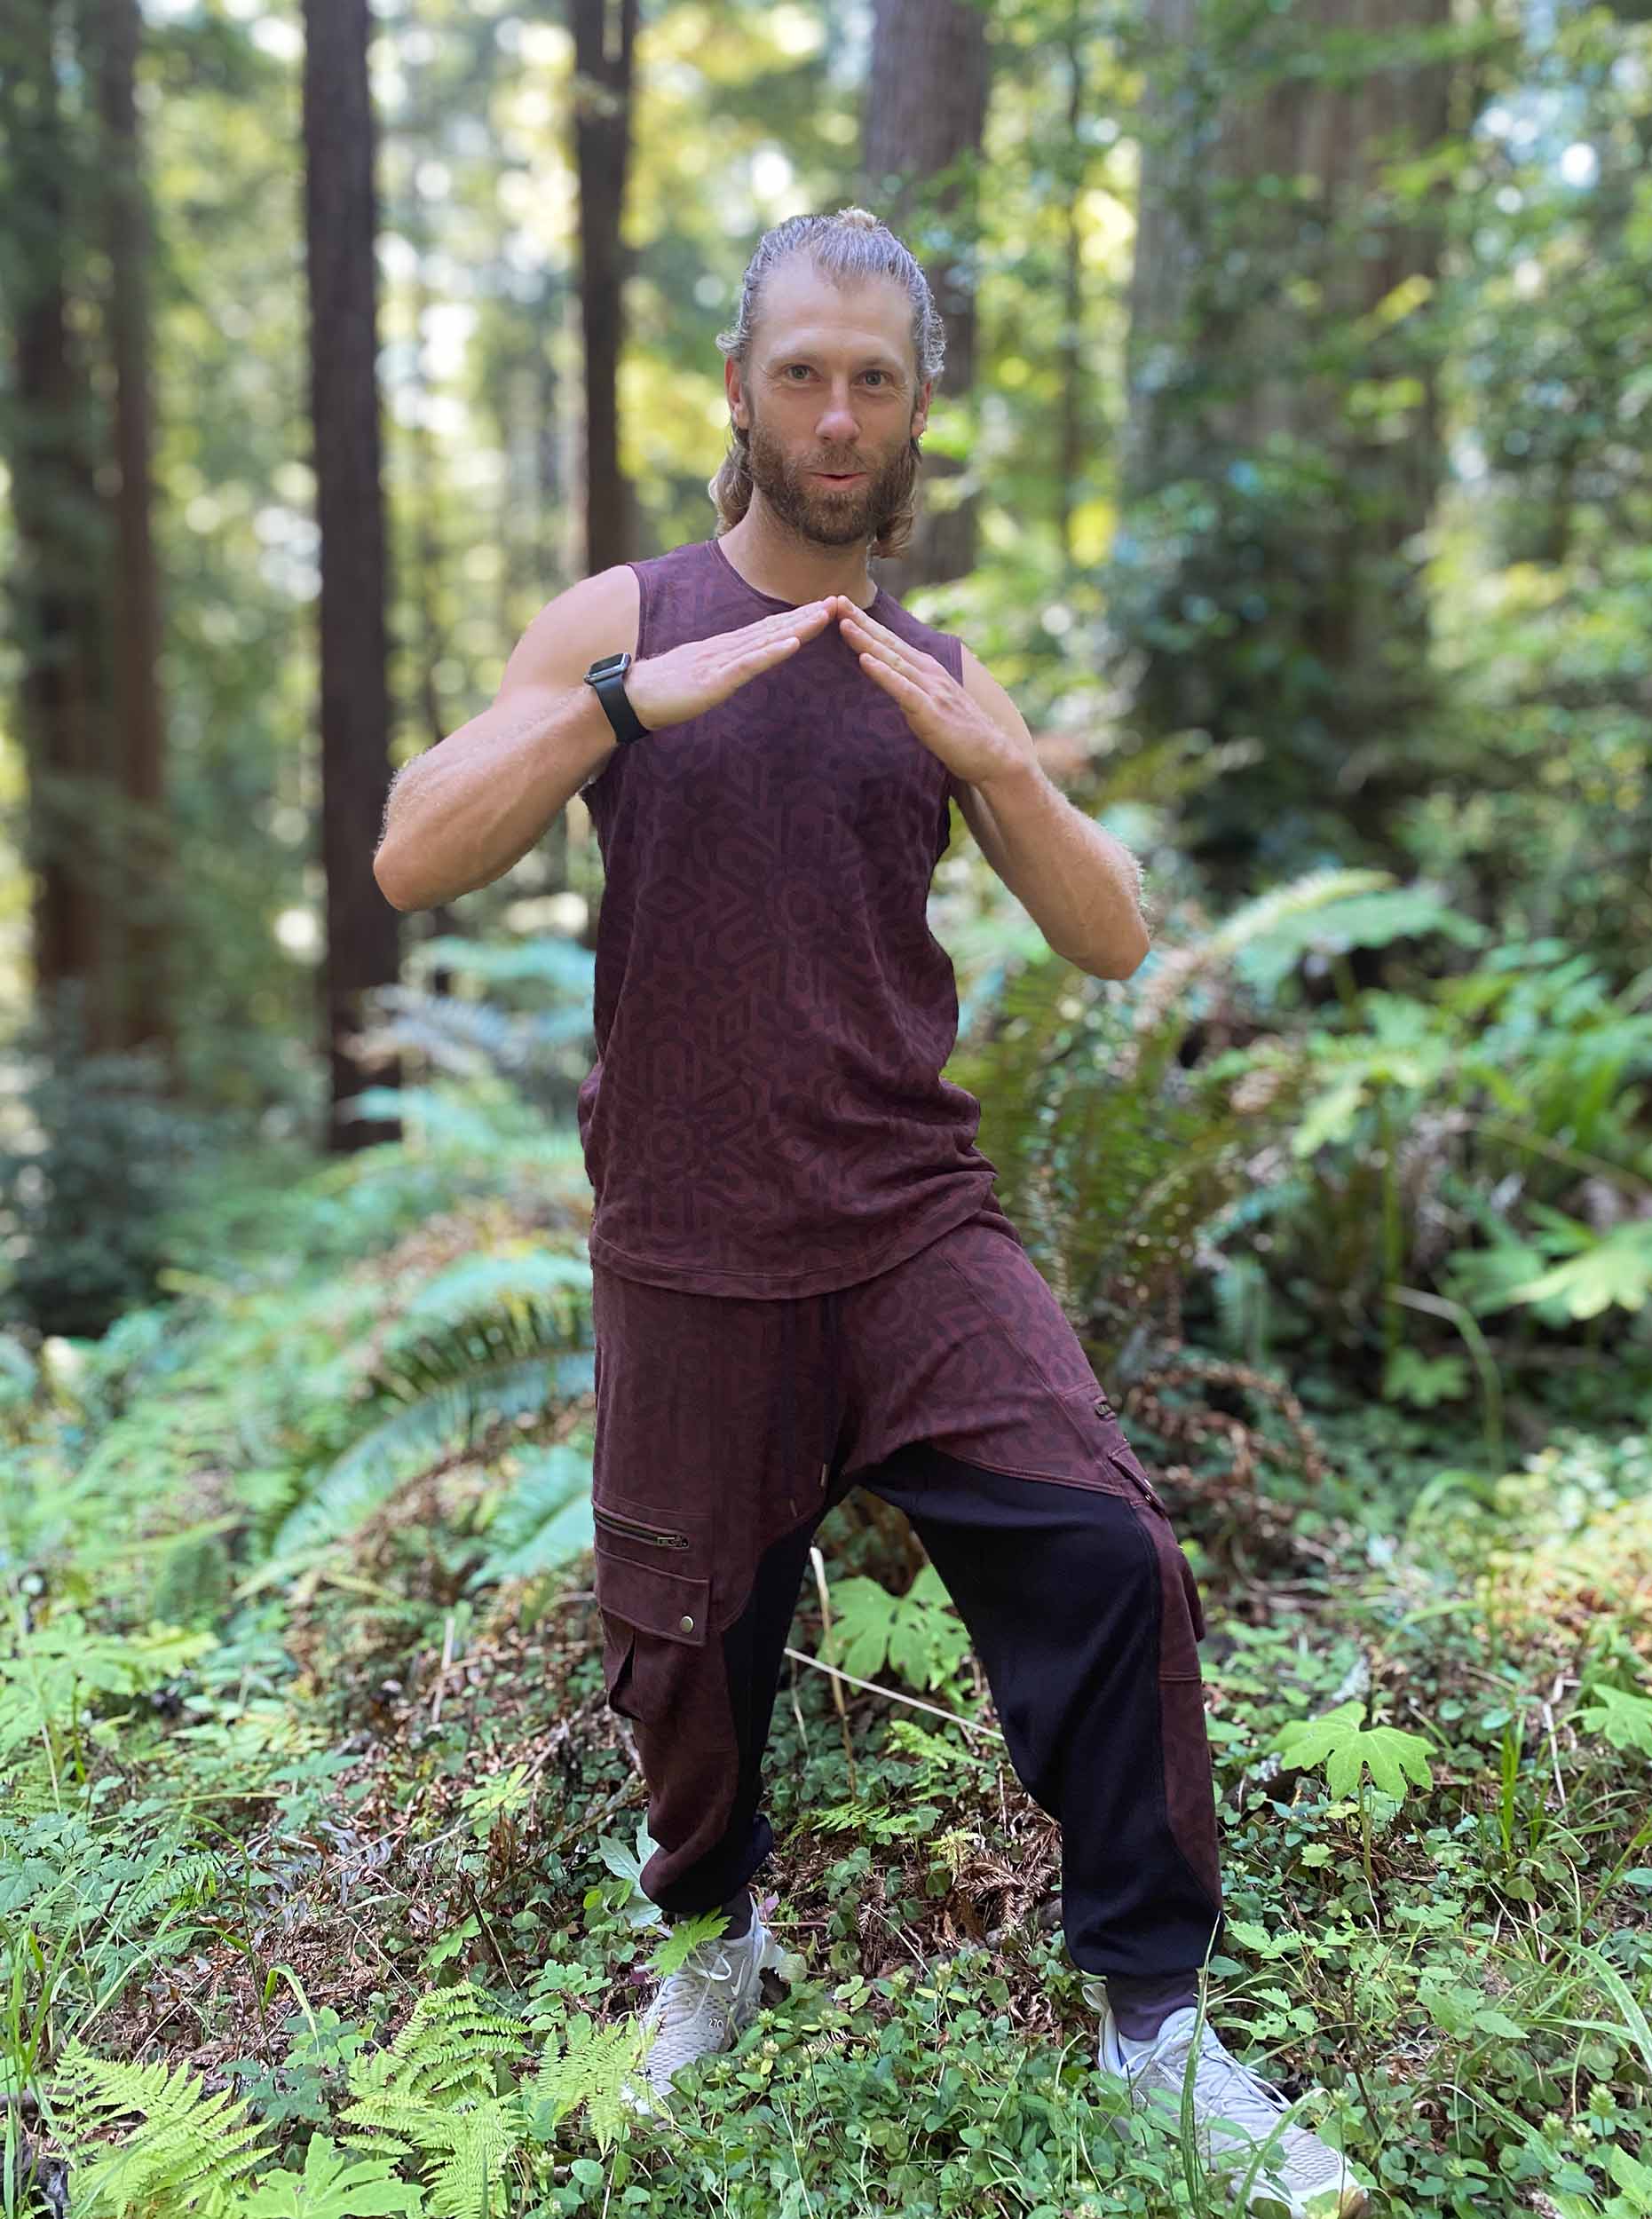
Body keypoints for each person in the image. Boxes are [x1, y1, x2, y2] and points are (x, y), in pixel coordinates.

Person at [372, 204, 1368, 2218]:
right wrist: (637, 698)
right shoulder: (614, 616)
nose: (838, 412)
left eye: (877, 379)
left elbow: (1106, 939)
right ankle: (713, 1939)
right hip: (686, 1234)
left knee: (1104, 1547)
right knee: (682, 1643)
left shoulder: (934, 667)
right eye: (803, 371)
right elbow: (412, 851)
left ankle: (1153, 2030)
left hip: (911, 1218)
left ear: (918, 414)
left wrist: (1004, 764)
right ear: (739, 390)